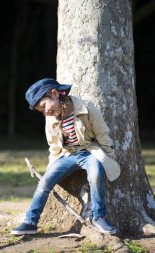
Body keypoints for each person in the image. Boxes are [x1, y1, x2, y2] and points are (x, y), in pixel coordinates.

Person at [11, 78, 120, 235]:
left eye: (43, 106)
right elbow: (54, 145)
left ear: (54, 94)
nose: (45, 112)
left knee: (96, 174)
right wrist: (52, 167)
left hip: (88, 152)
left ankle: (98, 216)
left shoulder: (86, 108)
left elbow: (103, 135)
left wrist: (110, 157)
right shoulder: (51, 118)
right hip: (67, 154)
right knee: (44, 182)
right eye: (40, 111)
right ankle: (30, 222)